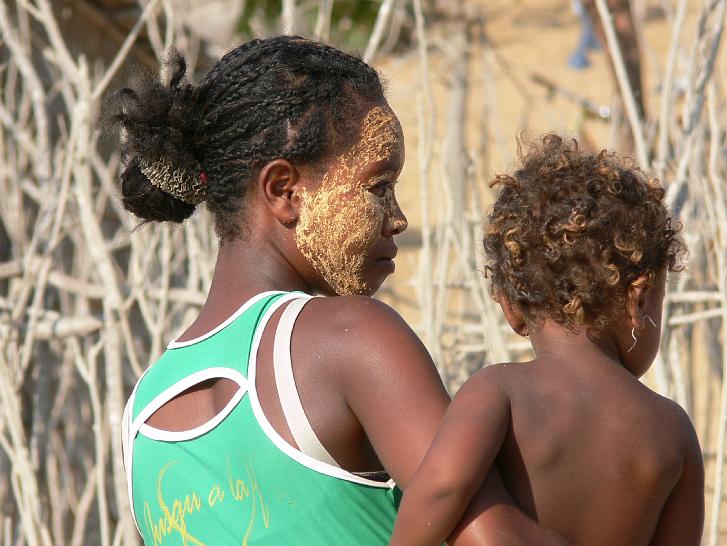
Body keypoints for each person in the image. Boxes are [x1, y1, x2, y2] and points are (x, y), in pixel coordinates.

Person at [109, 37, 566, 545]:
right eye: (379, 186)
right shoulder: (350, 338)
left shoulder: (142, 417)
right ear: (285, 191)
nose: (398, 218)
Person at [390, 134, 704, 546]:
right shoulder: (672, 430)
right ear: (639, 299)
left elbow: (443, 487)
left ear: (511, 307)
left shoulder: (498, 391)